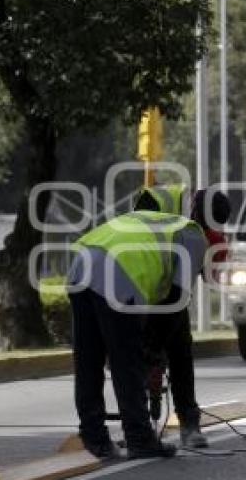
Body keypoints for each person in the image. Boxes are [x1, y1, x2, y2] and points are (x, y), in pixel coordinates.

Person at [67, 184, 229, 459]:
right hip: (121, 271)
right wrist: (154, 348)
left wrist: (153, 341)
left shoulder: (163, 207)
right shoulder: (192, 233)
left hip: (82, 261)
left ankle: (94, 438)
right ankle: (141, 438)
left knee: (89, 359)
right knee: (127, 360)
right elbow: (177, 299)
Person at [135, 185, 231, 450]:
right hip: (139, 282)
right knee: (146, 354)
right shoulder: (171, 212)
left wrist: (215, 253)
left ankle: (188, 424)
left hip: (164, 284)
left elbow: (204, 279)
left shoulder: (197, 227)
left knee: (179, 350)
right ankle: (140, 427)